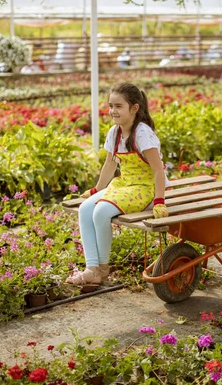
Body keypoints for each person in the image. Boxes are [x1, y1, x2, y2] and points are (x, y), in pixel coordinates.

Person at [66, 83, 169, 285]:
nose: (113, 111)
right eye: (111, 106)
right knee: (85, 208)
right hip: (124, 185)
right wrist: (97, 189)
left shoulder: (142, 134)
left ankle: (102, 269)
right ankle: (91, 267)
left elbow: (158, 170)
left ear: (134, 108)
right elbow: (109, 165)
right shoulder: (114, 132)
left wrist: (159, 201)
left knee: (101, 211)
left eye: (118, 106)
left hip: (146, 188)